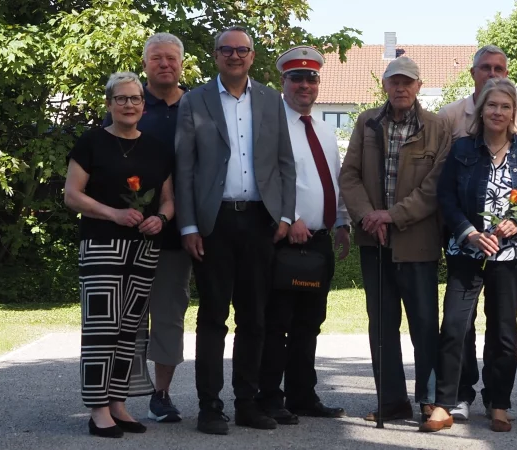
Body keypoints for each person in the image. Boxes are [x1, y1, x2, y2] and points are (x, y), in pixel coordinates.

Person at [174, 26, 296, 435]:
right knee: (212, 316)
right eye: (227, 50)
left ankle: (248, 402)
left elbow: (284, 163)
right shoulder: (195, 101)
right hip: (214, 223)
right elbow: (185, 169)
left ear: (252, 55)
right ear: (215, 55)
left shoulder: (269, 99)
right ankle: (210, 406)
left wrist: (283, 216)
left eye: (242, 50)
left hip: (260, 221)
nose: (234, 56)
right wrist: (189, 224)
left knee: (255, 318)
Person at [421, 78, 517, 433]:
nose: (497, 112)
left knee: (503, 333)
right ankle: (446, 403)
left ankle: (499, 402)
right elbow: (446, 198)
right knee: (454, 327)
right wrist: (469, 233)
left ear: (513, 113)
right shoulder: (463, 149)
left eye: (504, 106)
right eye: (491, 105)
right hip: (467, 252)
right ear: (481, 110)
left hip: (511, 257)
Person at [339, 56, 450, 423]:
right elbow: (350, 176)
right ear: (385, 85)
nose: (401, 88)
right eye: (394, 82)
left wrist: (393, 215)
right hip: (375, 242)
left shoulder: (437, 127)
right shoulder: (367, 122)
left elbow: (434, 188)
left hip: (416, 242)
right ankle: (391, 401)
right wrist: (369, 216)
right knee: (382, 326)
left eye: (408, 82)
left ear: (419, 86)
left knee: (423, 325)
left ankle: (428, 401)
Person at [65, 72, 175, 438]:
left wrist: (160, 218)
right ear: (109, 104)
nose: (129, 105)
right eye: (121, 99)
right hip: (101, 244)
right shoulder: (92, 142)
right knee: (102, 327)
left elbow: (168, 199)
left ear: (144, 106)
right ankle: (97, 409)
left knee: (130, 329)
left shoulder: (157, 148)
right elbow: (72, 195)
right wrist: (113, 213)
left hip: (143, 248)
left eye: (135, 99)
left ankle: (118, 403)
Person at [256, 45, 350, 424]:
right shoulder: (271, 123)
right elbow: (266, 177)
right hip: (283, 238)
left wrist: (341, 221)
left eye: (312, 78)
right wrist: (288, 215)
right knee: (276, 324)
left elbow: (334, 180)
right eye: (297, 78)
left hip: (319, 240)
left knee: (309, 324)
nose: (305, 85)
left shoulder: (325, 129)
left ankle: (302, 395)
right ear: (283, 81)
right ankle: (268, 397)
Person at [104, 32, 190, 424]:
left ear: (182, 64)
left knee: (170, 313)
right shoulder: (131, 105)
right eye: (157, 58)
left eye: (171, 58)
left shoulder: (199, 105)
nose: (165, 64)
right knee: (126, 316)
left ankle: (161, 393)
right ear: (145, 65)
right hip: (128, 230)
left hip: (179, 229)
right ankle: (117, 395)